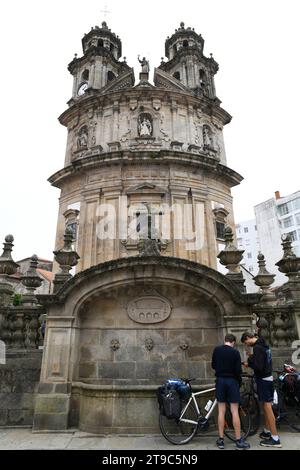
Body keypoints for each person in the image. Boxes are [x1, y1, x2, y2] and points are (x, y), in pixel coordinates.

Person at [241, 331, 282, 448]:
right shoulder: (264, 345)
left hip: (263, 380)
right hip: (268, 378)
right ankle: (267, 431)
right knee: (265, 406)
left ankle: (275, 438)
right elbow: (263, 361)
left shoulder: (258, 348)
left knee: (268, 408)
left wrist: (248, 363)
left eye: (246, 342)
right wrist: (252, 357)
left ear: (249, 338)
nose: (247, 345)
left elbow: (258, 367)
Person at [211, 333, 250, 450]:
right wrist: (238, 382)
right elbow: (238, 370)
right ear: (233, 342)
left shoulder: (217, 350)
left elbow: (213, 365)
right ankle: (238, 440)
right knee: (234, 411)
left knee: (221, 411)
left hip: (220, 381)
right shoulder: (235, 352)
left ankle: (221, 440)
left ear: (225, 340)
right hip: (232, 381)